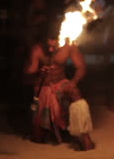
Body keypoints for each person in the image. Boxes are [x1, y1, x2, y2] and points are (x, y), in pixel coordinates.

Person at [24, 21, 95, 151]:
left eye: (54, 43)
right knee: (39, 138)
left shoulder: (69, 46)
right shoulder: (37, 50)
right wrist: (39, 73)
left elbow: (82, 67)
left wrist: (73, 82)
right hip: (43, 88)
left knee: (74, 91)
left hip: (61, 83)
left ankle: (85, 139)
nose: (51, 47)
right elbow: (27, 77)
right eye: (48, 43)